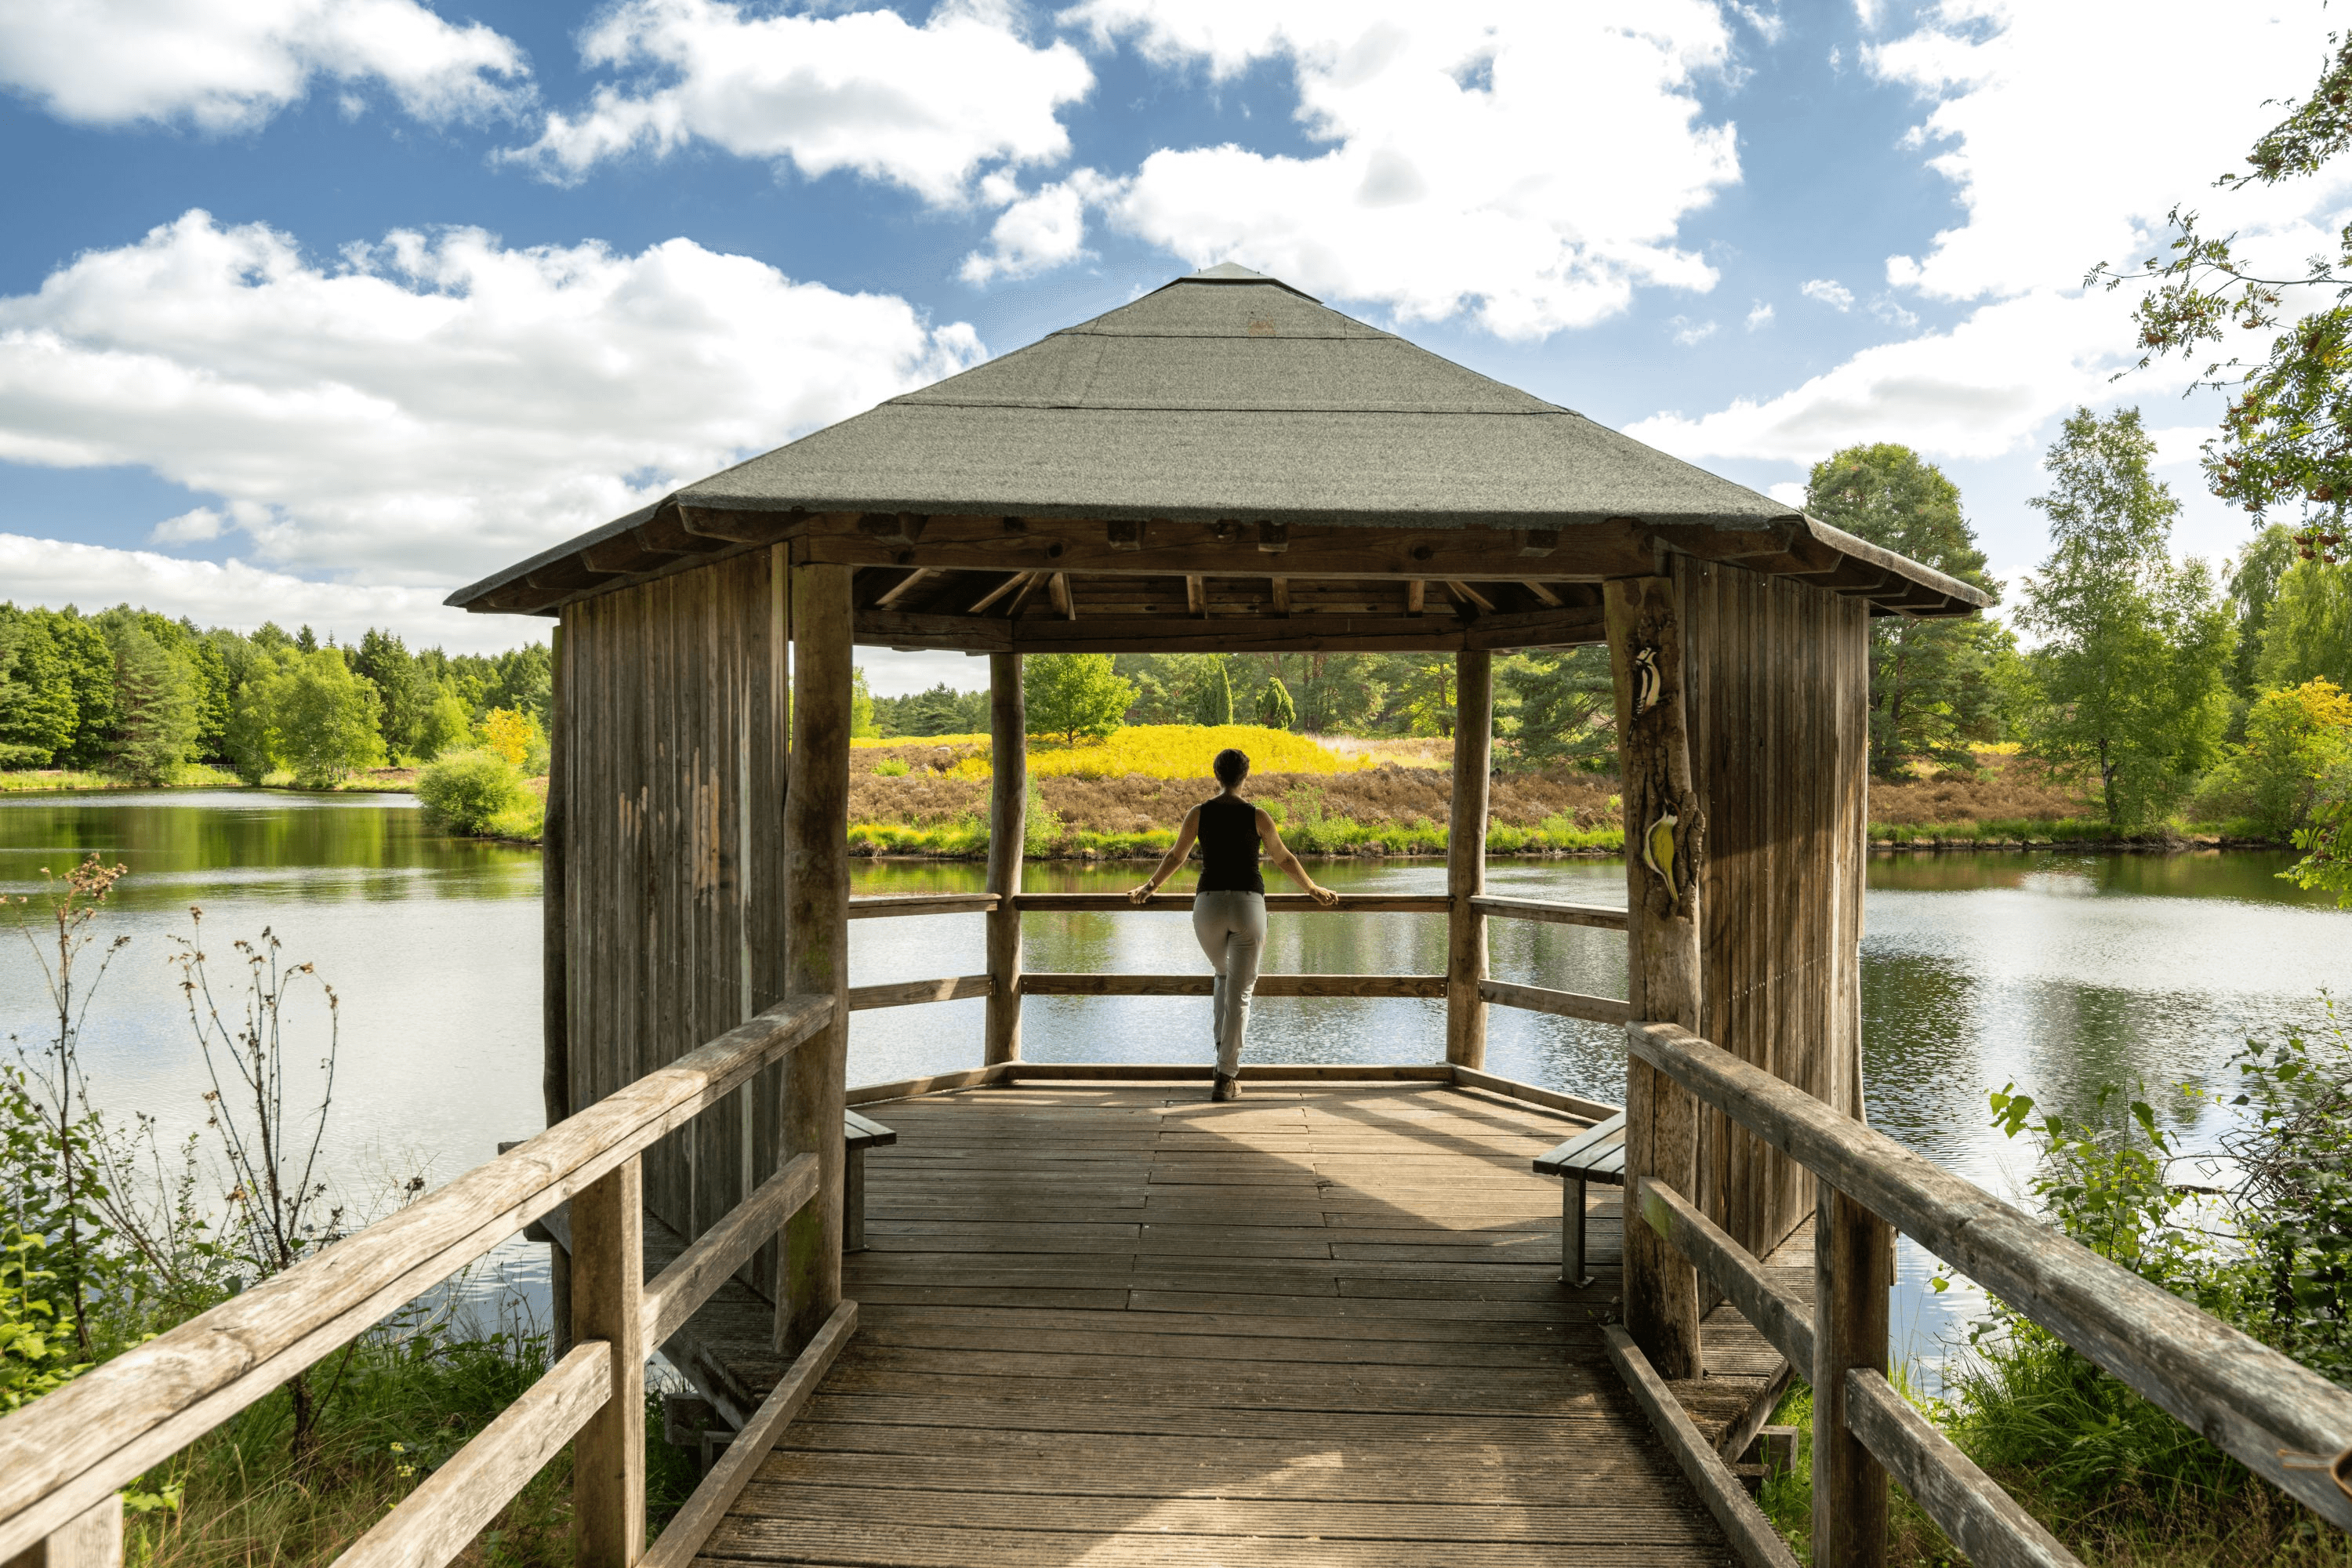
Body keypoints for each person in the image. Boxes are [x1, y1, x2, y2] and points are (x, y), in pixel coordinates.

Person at [1128, 747, 1338, 1101]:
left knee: (1224, 974)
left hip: (1207, 907)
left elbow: (1176, 855)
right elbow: (1283, 857)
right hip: (1247, 905)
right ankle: (1225, 1077)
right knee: (1239, 991)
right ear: (1245, 776)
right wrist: (1313, 889)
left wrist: (1150, 886)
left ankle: (1221, 1047)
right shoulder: (1258, 816)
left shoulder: (1199, 813)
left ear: (1216, 775)